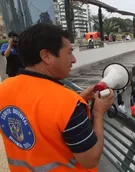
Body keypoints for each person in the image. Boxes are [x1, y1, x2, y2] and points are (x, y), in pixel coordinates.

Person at [0, 23, 115, 171]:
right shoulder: (69, 104)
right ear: (46, 56)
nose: (73, 59)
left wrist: (80, 97)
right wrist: (99, 113)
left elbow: (38, 116)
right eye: (69, 52)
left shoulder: (4, 89)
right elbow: (90, 159)